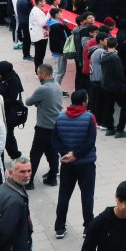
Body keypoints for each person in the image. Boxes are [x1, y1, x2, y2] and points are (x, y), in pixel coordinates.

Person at [53, 88, 97, 239]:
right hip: (86, 164)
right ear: (84, 101)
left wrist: (67, 154)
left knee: (64, 195)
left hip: (67, 164)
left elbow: (55, 140)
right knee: (87, 196)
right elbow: (90, 142)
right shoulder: (89, 117)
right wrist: (76, 154)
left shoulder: (60, 117)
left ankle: (59, 227)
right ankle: (88, 227)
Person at [24, 63, 62, 190]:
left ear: (44, 74)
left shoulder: (43, 89)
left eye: (38, 73)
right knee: (52, 153)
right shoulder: (57, 85)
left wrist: (37, 102)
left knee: (35, 154)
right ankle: (52, 178)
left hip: (43, 127)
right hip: (55, 126)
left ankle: (29, 182)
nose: (38, 75)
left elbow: (28, 101)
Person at [100, 37, 126, 138]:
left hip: (106, 85)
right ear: (116, 45)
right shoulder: (115, 58)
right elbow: (120, 74)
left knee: (109, 106)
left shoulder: (103, 55)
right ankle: (120, 129)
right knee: (125, 106)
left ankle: (110, 128)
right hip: (116, 86)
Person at [0, 61, 23, 161]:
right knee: (7, 134)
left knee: (8, 134)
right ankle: (14, 153)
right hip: (2, 110)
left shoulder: (13, 80)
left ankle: (15, 154)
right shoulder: (4, 77)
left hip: (9, 112)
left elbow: (12, 98)